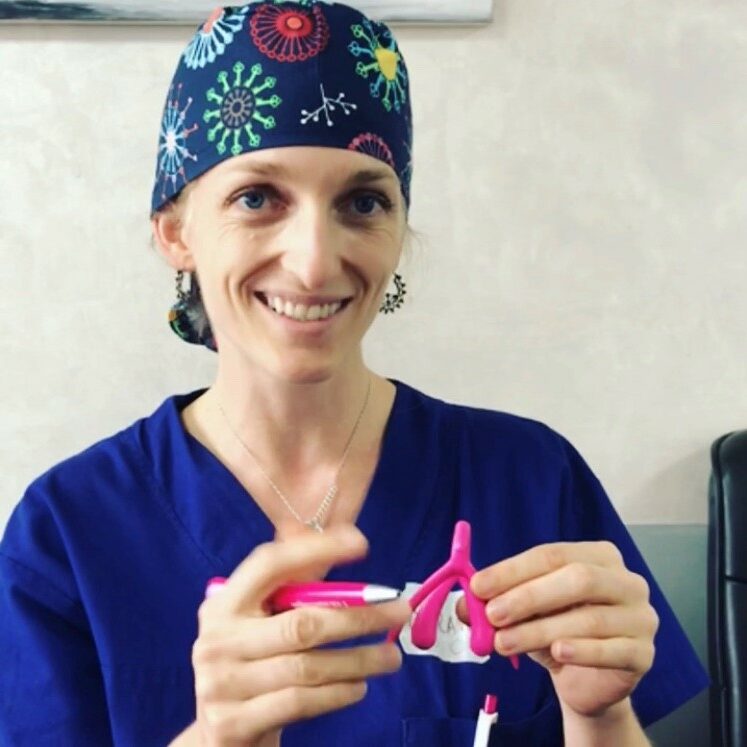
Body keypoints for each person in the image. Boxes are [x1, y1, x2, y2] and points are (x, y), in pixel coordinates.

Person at [0, 2, 708, 745]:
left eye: (362, 202)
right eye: (256, 198)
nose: (313, 262)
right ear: (176, 232)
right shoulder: (68, 531)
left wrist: (600, 715)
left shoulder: (530, 480)